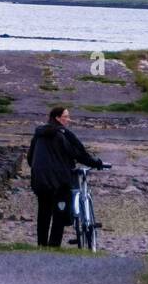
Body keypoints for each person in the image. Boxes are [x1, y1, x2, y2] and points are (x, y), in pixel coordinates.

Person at [27, 105, 104, 248]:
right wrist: (96, 163)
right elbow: (79, 154)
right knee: (60, 211)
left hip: (40, 180)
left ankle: (41, 245)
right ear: (57, 118)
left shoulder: (38, 134)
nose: (68, 120)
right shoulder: (64, 135)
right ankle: (54, 244)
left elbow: (30, 158)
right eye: (66, 117)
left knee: (43, 212)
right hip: (60, 180)